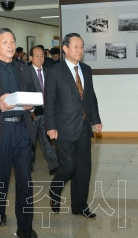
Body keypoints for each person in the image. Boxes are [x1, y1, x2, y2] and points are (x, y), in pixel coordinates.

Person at [0, 28, 38, 238]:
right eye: (5, 42)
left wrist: (32, 105)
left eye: (13, 41)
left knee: (25, 180)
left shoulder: (24, 69)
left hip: (22, 129)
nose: (11, 45)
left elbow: (34, 94)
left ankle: (25, 227)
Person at [44, 33, 103, 219]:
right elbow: (50, 101)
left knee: (84, 169)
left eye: (81, 47)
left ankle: (80, 206)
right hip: (63, 127)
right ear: (65, 48)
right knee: (68, 166)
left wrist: (96, 120)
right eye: (75, 46)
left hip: (84, 127)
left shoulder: (86, 69)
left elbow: (90, 97)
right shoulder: (55, 71)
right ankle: (54, 190)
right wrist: (50, 126)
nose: (79, 50)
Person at [29, 46, 59, 175]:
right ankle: (28, 165)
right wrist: (29, 109)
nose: (40, 58)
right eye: (36, 55)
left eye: (42, 55)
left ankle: (55, 166)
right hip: (32, 114)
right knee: (30, 143)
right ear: (31, 58)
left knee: (47, 142)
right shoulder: (25, 72)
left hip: (46, 114)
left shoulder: (49, 72)